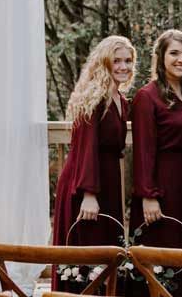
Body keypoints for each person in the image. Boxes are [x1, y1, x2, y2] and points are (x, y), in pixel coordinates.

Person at [52, 36, 136, 264]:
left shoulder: (120, 99)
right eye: (116, 61)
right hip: (86, 182)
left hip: (107, 180)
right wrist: (89, 195)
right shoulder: (94, 98)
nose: (123, 67)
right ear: (104, 62)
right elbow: (85, 148)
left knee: (107, 249)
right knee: (87, 251)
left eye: (128, 61)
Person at [130, 30, 182, 273]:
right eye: (174, 53)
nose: (181, 59)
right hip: (164, 185)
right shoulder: (147, 96)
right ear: (161, 57)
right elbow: (143, 151)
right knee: (166, 251)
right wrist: (148, 195)